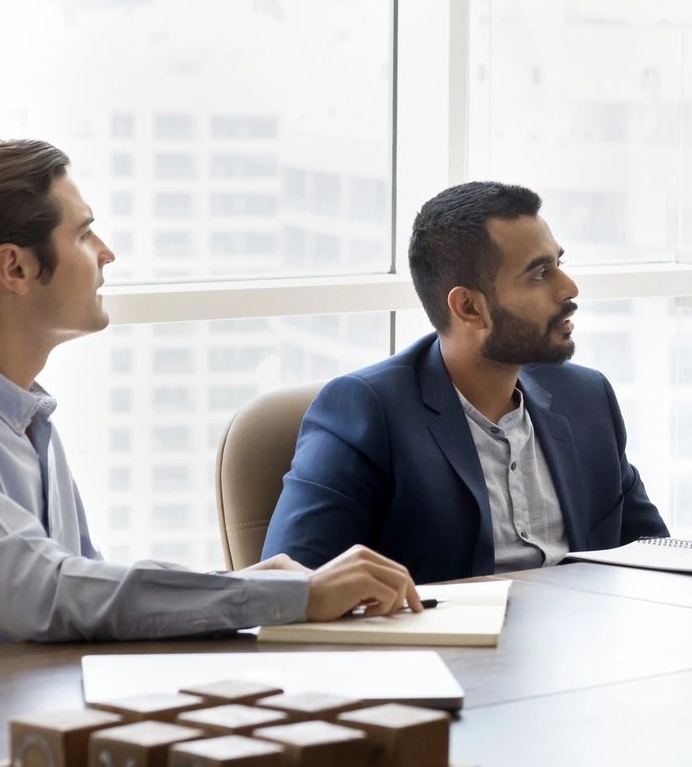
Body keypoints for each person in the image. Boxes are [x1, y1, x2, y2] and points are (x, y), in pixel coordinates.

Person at [0, 139, 421, 662]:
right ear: (16, 267)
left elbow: (88, 589)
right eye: (82, 233)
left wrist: (247, 584)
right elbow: (50, 595)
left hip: (45, 722)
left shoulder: (19, 417)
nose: (106, 253)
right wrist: (289, 597)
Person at [262, 180, 667, 581]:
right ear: (469, 307)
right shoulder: (364, 412)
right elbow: (289, 589)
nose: (569, 288)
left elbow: (656, 560)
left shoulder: (586, 398)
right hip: (444, 644)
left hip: (588, 640)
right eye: (540, 274)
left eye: (559, 264)